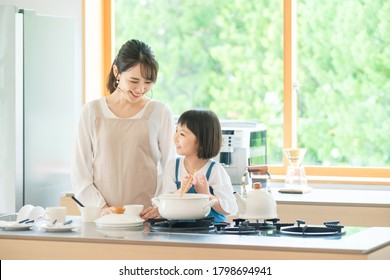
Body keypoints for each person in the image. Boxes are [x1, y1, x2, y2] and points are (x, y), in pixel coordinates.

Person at [71, 39, 176, 219]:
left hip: (147, 219)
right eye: (133, 80)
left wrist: (160, 206)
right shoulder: (91, 112)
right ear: (117, 72)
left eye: (148, 82)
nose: (140, 89)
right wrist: (102, 207)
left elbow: (170, 168)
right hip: (101, 218)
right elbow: (80, 171)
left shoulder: (160, 113)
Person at [162, 109, 238, 223]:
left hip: (211, 235)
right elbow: (165, 203)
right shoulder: (173, 166)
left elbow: (230, 208)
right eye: (176, 131)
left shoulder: (215, 170)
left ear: (202, 141)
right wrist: (181, 191)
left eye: (182, 134)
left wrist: (206, 194)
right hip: (179, 232)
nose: (175, 138)